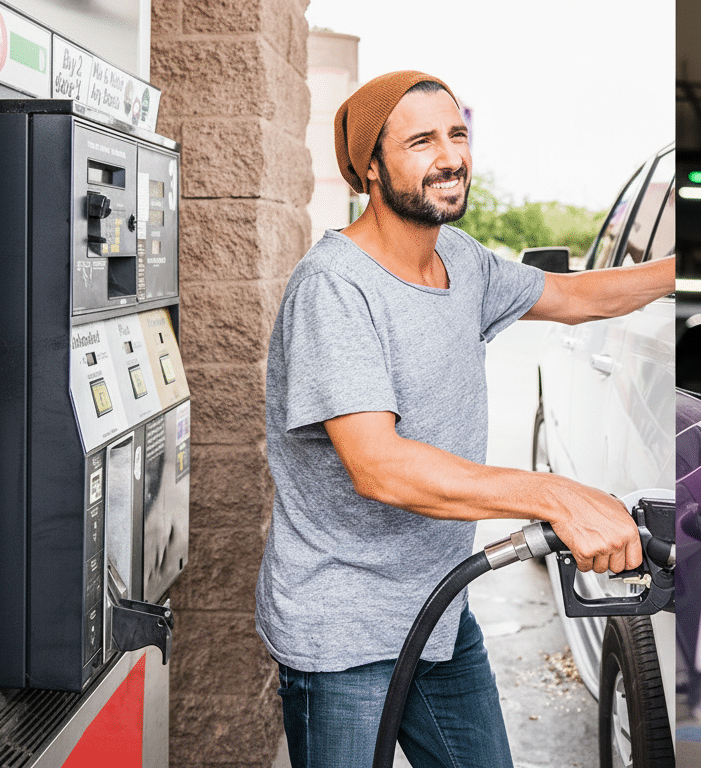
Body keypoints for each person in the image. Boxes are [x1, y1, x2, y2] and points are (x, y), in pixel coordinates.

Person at [255, 70, 674, 768]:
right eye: (421, 140)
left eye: (458, 134)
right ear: (369, 166)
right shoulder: (335, 287)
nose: (450, 156)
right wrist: (557, 495)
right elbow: (379, 466)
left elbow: (575, 296)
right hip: (345, 633)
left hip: (440, 616)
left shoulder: (461, 262)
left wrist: (682, 270)